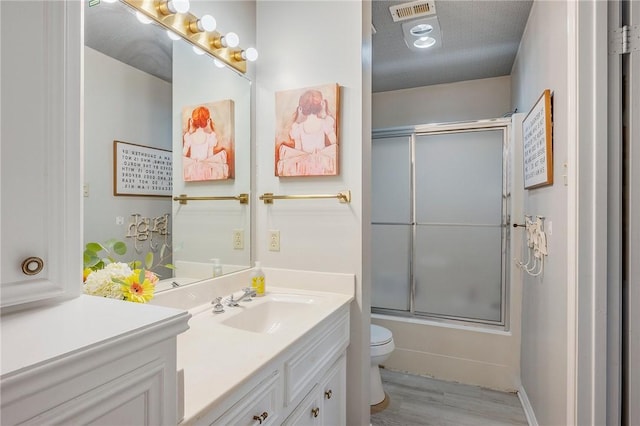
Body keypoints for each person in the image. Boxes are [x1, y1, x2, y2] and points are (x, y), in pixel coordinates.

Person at [277, 89, 338, 176]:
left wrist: (299, 118)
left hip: (305, 166)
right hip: (322, 164)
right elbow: (334, 144)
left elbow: (298, 150)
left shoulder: (298, 127)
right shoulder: (325, 122)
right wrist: (324, 113)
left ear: (301, 108)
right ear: (321, 105)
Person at [182, 106, 228, 181]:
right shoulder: (210, 137)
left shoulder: (189, 137)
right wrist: (210, 129)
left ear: (193, 121)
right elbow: (210, 157)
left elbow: (183, 155)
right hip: (206, 171)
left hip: (192, 171)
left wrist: (190, 131)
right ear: (207, 121)